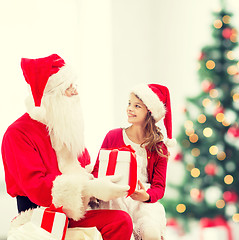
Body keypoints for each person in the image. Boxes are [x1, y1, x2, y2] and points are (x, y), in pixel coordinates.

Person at [1, 54, 133, 240]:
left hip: (75, 212)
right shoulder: (18, 133)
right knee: (120, 221)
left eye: (75, 85)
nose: (76, 92)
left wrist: (117, 182)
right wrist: (89, 188)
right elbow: (37, 188)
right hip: (39, 216)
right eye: (68, 88)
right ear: (50, 96)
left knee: (125, 217)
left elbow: (86, 168)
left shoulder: (65, 127)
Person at [92, 84, 175, 240]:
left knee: (151, 232)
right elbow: (97, 170)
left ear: (150, 112)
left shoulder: (159, 148)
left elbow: (159, 187)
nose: (130, 108)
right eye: (129, 103)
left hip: (141, 202)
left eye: (137, 106)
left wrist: (145, 196)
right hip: (114, 198)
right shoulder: (113, 136)